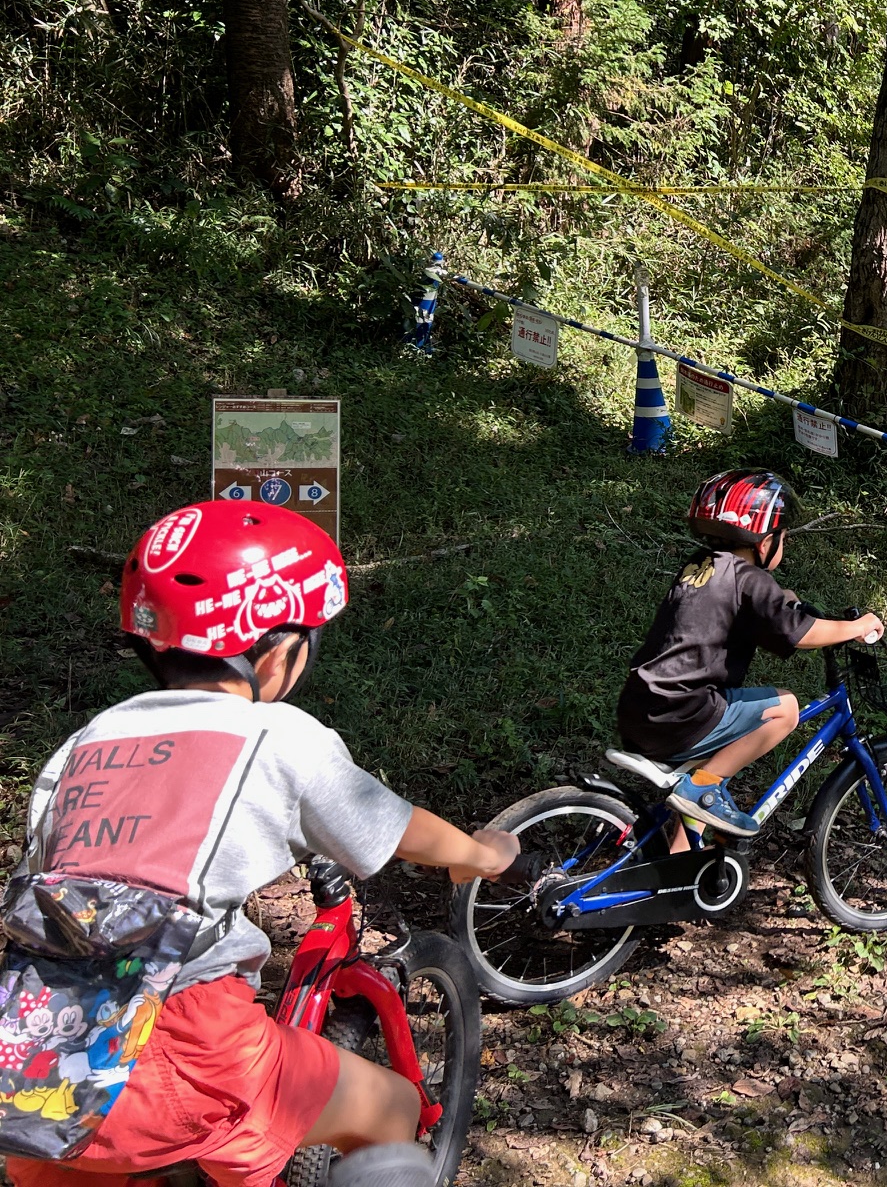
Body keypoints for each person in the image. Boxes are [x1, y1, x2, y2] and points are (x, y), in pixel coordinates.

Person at [3, 502, 521, 1187]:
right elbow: (396, 827)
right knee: (391, 1107)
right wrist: (480, 854)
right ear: (277, 656)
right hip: (188, 1047)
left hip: (40, 1055)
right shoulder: (275, 735)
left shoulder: (84, 744)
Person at [616, 470, 885, 843]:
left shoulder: (703, 565)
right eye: (782, 537)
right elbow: (801, 633)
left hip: (642, 706)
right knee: (785, 707)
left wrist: (784, 602)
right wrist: (857, 627)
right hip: (684, 712)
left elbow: (741, 613)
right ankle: (704, 789)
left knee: (705, 766)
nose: (783, 543)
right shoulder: (751, 580)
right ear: (763, 542)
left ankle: (682, 860)